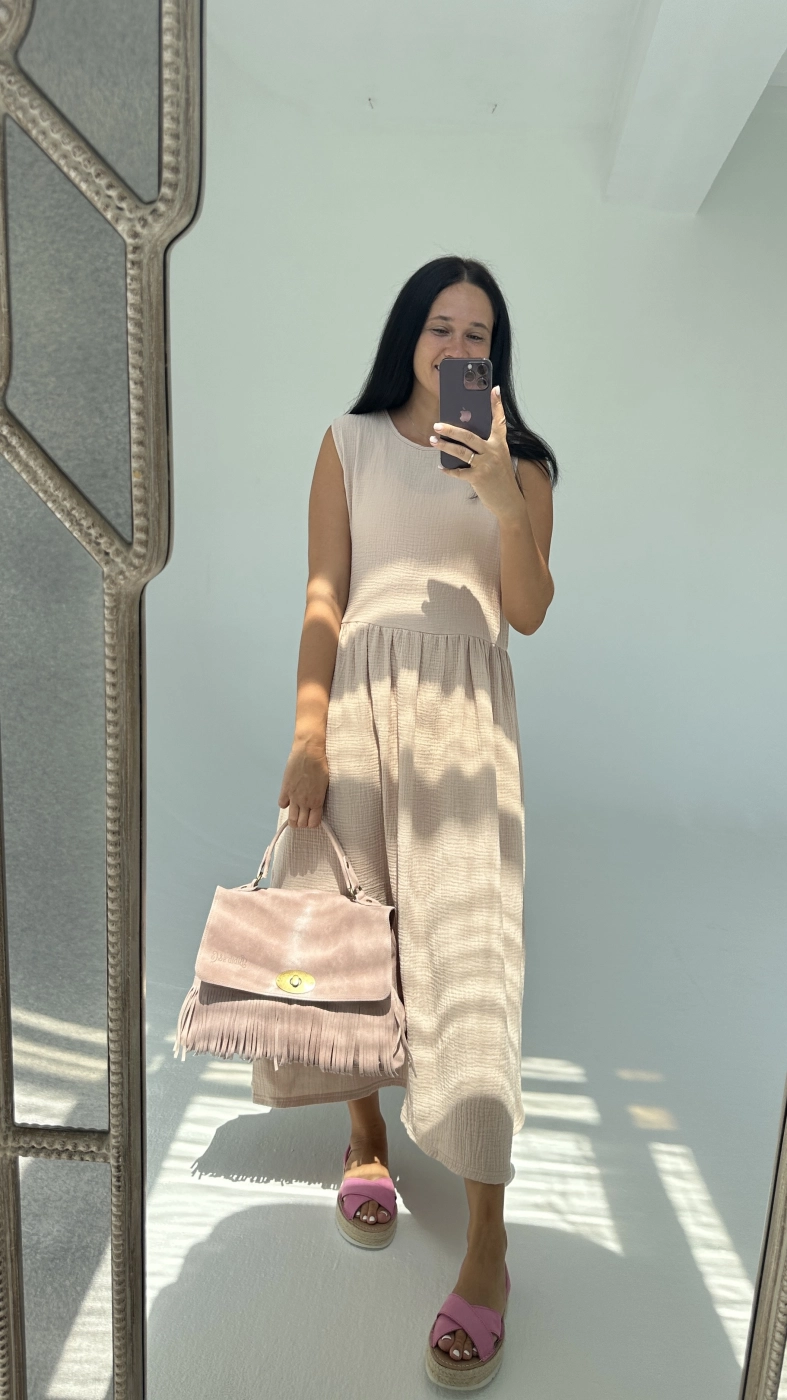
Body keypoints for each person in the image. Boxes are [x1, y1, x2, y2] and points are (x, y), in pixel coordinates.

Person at [251, 255, 556, 1387]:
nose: (458, 345)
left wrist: (503, 497)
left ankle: (488, 1239)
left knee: (471, 959)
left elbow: (527, 610)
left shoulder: (523, 464)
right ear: (408, 336)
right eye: (440, 325)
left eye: (479, 331)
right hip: (358, 711)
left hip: (466, 726)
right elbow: (323, 597)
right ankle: (366, 1136)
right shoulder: (348, 442)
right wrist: (307, 735)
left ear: (495, 353)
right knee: (353, 934)